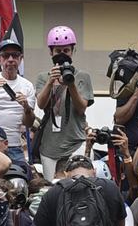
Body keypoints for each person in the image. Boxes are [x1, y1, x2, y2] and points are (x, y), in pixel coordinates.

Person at [33, 26, 93, 179]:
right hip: (49, 146)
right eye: (58, 51)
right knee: (51, 187)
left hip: (75, 142)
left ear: (73, 51)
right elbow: (41, 104)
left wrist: (70, 83)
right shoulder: (43, 77)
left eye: (66, 51)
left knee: (79, 183)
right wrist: (50, 81)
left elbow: (81, 108)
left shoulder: (82, 76)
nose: (62, 55)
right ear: (51, 52)